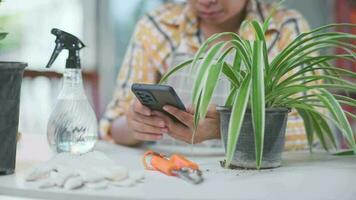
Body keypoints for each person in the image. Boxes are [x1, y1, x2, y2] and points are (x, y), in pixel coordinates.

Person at [99, 0, 311, 150]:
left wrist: (225, 129)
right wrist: (134, 125)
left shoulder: (284, 28)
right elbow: (112, 126)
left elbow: (314, 128)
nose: (207, 1)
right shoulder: (157, 26)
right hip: (171, 173)